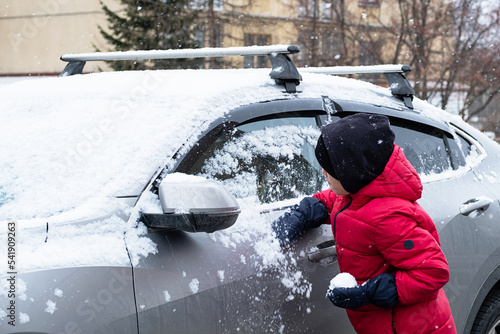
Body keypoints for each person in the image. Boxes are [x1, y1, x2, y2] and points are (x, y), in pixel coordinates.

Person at [272, 113, 456, 333]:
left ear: (352, 174)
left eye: (329, 170)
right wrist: (306, 211)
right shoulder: (358, 193)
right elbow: (337, 200)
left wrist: (369, 292)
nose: (323, 172)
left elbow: (433, 272)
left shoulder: (389, 219)